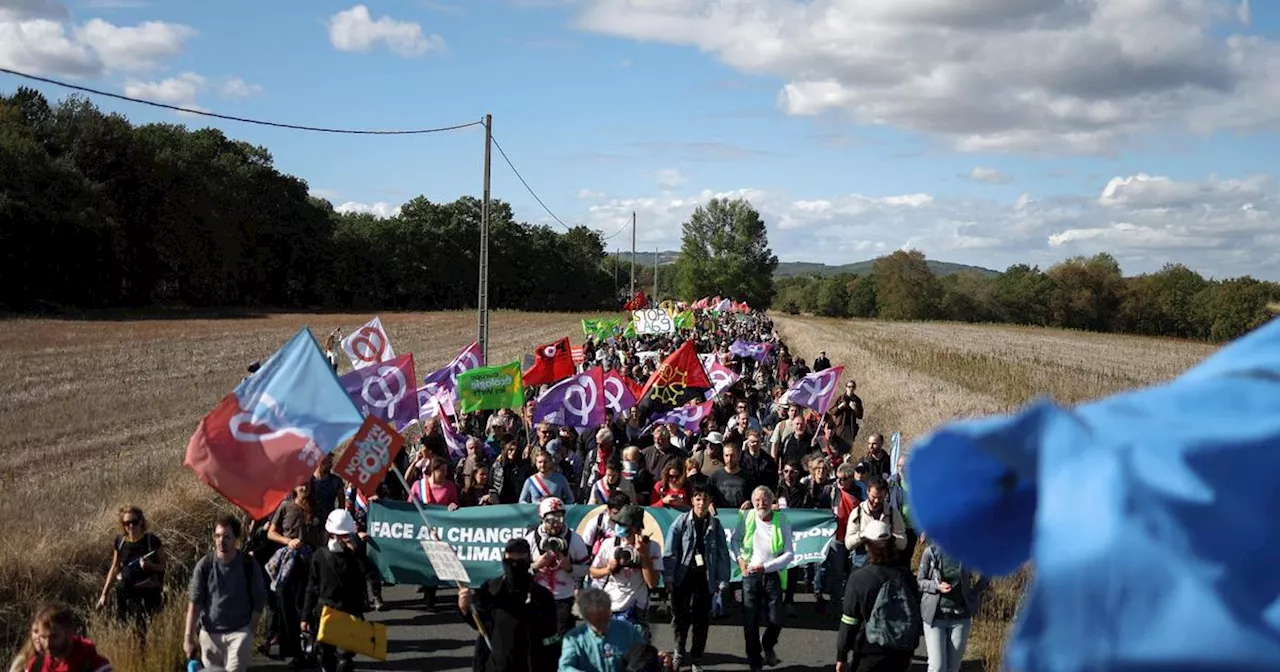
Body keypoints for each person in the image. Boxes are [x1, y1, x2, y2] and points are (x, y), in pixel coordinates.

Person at [457, 538, 561, 672]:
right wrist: (464, 608)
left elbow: (551, 638)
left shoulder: (542, 596)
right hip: (495, 665)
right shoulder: (491, 590)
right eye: (510, 562)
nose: (514, 566)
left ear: (528, 561)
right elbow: (480, 624)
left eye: (520, 562)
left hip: (529, 665)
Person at [836, 520, 922, 672]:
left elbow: (849, 622)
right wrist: (910, 652)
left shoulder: (859, 578)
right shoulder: (906, 576)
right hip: (900, 654)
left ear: (867, 545)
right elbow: (915, 617)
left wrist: (841, 656)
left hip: (868, 653)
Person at [185, 515, 268, 672]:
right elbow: (194, 602)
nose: (221, 541)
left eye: (226, 537)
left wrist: (250, 630)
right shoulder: (205, 565)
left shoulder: (248, 564)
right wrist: (188, 637)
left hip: (239, 632)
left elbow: (259, 598)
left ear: (236, 539)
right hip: (210, 634)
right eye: (217, 536)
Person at [662, 485, 730, 672]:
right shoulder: (681, 522)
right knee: (680, 618)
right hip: (683, 577)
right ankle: (679, 651)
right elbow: (670, 551)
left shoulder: (715, 526)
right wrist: (668, 577)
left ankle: (697, 658)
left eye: (705, 499)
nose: (701, 503)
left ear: (710, 502)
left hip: (705, 578)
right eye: (698, 499)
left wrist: (722, 581)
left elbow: (723, 555)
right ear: (692, 501)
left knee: (701, 620)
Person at [732, 486, 794, 672]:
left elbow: (790, 553)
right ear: (753, 502)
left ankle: (767, 645)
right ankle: (754, 661)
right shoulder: (746, 517)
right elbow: (734, 541)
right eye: (757, 500)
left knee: (776, 620)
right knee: (750, 622)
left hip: (772, 575)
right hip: (750, 576)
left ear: (772, 501)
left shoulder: (782, 519)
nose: (761, 503)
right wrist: (740, 560)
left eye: (765, 499)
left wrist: (766, 567)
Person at [303, 509, 369, 672]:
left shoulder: (355, 555)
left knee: (345, 661)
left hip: (349, 612)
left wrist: (358, 552)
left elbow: (367, 575)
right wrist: (305, 617)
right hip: (325, 612)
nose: (343, 539)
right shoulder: (319, 556)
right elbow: (311, 587)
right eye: (340, 535)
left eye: (346, 535)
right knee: (325, 658)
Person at [588, 504, 663, 642]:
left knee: (637, 655)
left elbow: (652, 583)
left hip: (637, 609)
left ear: (635, 527)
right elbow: (593, 572)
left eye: (622, 524)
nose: (618, 526)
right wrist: (609, 569)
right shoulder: (609, 544)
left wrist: (644, 556)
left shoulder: (652, 547)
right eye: (617, 523)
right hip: (611, 606)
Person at [524, 497, 591, 639]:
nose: (555, 525)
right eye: (551, 520)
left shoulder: (575, 539)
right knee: (539, 640)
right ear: (542, 519)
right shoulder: (530, 539)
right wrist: (535, 566)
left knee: (564, 639)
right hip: (538, 598)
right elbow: (519, 572)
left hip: (564, 598)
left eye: (559, 519)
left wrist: (570, 568)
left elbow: (586, 569)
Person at [95, 505, 167, 634]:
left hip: (147, 593)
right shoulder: (120, 542)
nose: (131, 526)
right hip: (125, 594)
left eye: (134, 522)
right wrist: (104, 594)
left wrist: (150, 566)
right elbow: (115, 567)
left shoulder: (152, 541)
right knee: (125, 627)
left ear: (141, 521)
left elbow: (163, 566)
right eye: (127, 523)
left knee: (142, 631)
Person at [917, 540, 987, 672]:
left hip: (960, 617)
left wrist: (974, 591)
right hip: (935, 617)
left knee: (953, 667)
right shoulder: (931, 552)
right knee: (937, 667)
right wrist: (937, 586)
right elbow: (920, 581)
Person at [558, 587, 646, 672]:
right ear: (585, 617)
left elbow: (644, 655)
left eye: (606, 617)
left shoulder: (628, 631)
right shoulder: (574, 639)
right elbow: (564, 667)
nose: (602, 622)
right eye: (597, 619)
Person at [22, 604, 112, 672]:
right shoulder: (35, 666)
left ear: (69, 632)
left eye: (54, 637)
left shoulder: (96, 667)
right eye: (43, 637)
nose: (48, 644)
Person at [844, 477, 907, 571]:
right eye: (873, 497)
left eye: (880, 498)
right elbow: (848, 544)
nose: (876, 501)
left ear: (886, 494)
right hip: (862, 560)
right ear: (867, 492)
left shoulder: (893, 513)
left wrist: (888, 537)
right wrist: (863, 535)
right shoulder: (857, 513)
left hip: (887, 560)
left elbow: (903, 543)